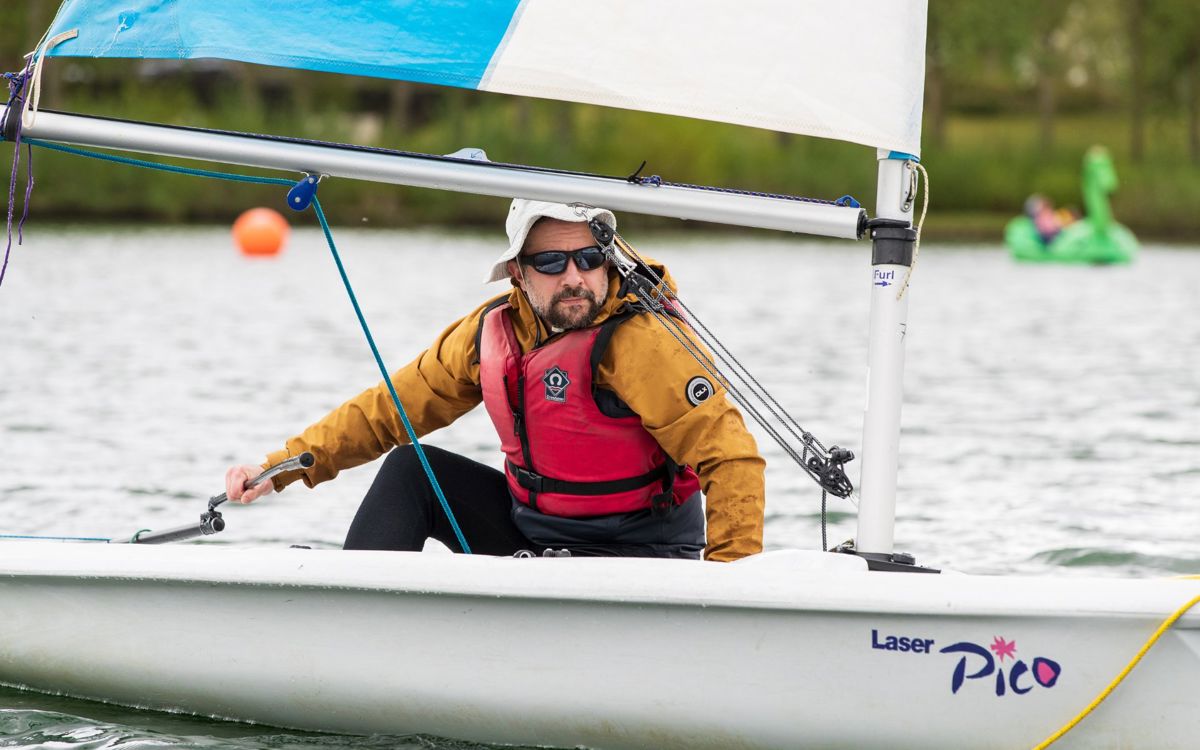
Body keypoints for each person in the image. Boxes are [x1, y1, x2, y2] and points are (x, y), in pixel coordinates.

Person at [224, 199, 765, 562]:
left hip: (642, 558)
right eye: (551, 261)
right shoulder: (492, 332)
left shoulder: (644, 343)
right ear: (518, 274)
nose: (574, 277)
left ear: (608, 263)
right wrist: (282, 466)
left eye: (589, 258)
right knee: (413, 469)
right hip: (534, 536)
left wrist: (728, 593)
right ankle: (355, 637)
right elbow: (388, 411)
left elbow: (732, 458)